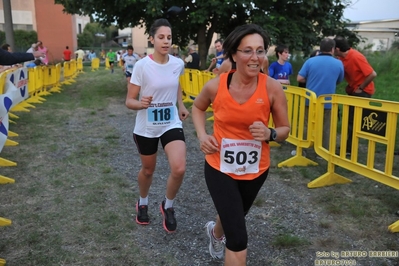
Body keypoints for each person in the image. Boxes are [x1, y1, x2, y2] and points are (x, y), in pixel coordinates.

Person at [191, 24, 290, 264]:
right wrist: (203, 136)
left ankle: (215, 233)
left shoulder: (272, 88)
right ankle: (226, 240)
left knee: (234, 215)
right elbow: (197, 107)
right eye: (247, 51)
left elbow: (285, 130)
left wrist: (270, 133)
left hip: (256, 170)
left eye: (260, 50)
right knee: (238, 237)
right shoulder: (216, 85)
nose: (255, 58)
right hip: (219, 166)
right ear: (234, 54)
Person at [125, 18, 189, 233]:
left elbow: (177, 84)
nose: (166, 41)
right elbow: (129, 100)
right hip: (147, 126)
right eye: (161, 37)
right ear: (152, 39)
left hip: (170, 122)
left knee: (179, 168)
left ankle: (168, 206)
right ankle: (143, 202)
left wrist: (180, 104)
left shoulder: (178, 63)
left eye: (169, 37)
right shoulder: (142, 66)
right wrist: (140, 103)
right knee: (149, 170)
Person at [297, 38, 344, 149]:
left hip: (310, 100)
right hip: (327, 101)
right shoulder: (338, 63)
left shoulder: (310, 61)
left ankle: (305, 147)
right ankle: (323, 150)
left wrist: (310, 80)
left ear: (320, 48)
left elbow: (300, 78)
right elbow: (339, 80)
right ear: (332, 49)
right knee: (326, 127)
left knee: (308, 125)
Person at [334, 36, 377, 155]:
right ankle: (349, 146)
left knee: (354, 121)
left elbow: (372, 74)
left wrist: (360, 87)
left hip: (363, 92)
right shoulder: (341, 59)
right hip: (354, 90)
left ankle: (349, 149)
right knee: (350, 119)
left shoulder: (356, 56)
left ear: (337, 49)